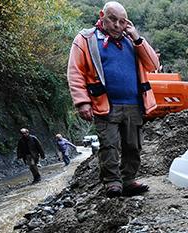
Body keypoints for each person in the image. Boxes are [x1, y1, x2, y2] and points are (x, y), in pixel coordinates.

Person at [67, 1, 159, 197]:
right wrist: (82, 102)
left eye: (122, 21)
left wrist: (136, 37)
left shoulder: (132, 41)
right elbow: (75, 72)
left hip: (134, 103)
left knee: (133, 146)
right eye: (112, 19)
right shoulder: (86, 39)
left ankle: (128, 180)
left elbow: (153, 64)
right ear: (102, 15)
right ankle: (112, 182)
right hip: (104, 104)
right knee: (109, 145)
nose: (117, 25)